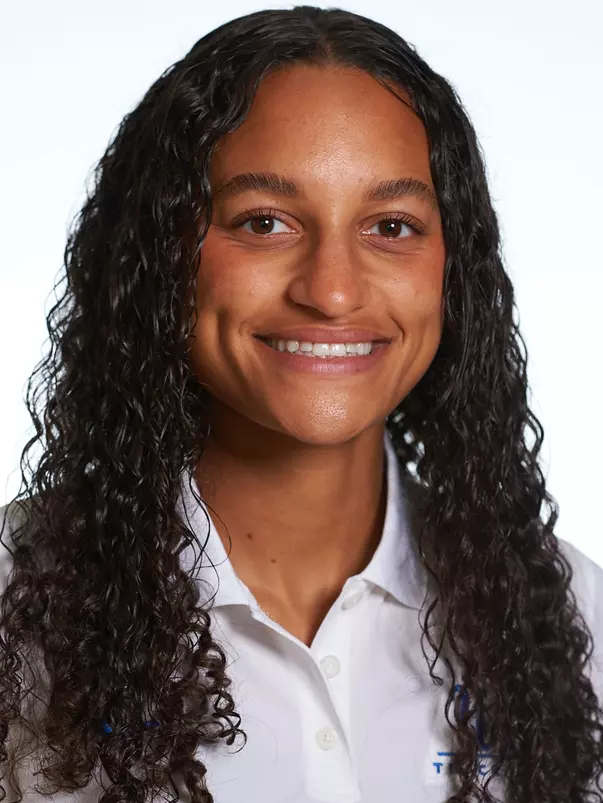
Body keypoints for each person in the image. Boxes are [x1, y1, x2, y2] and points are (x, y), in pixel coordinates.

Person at [0, 5, 601, 803]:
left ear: (453, 273)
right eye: (264, 221)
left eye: (390, 225)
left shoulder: (575, 621)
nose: (332, 289)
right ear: (159, 257)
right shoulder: (15, 608)